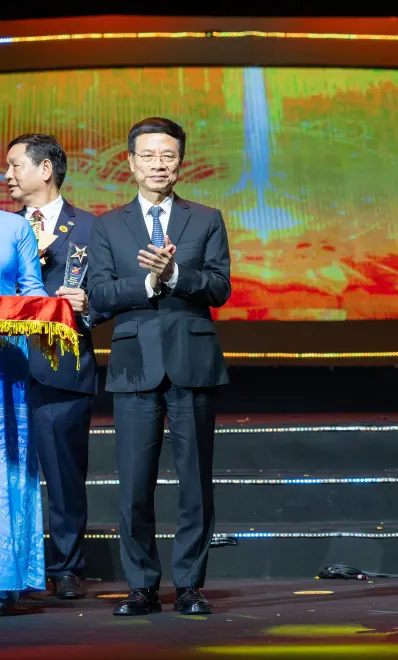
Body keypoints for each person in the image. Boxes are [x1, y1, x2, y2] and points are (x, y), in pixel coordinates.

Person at [88, 117, 231, 616]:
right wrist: (147, 284)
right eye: (148, 155)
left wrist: (175, 273)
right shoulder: (107, 225)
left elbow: (219, 288)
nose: (158, 164)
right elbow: (101, 294)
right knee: (133, 484)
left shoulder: (206, 218)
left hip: (192, 360)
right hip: (133, 364)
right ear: (131, 162)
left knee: (195, 482)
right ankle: (142, 585)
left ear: (180, 162)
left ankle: (189, 585)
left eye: (167, 155)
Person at [5, 134, 103, 600]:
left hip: (59, 365)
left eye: (15, 166)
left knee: (63, 474)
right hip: (8, 367)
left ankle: (65, 566)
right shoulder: (6, 228)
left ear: (45, 169)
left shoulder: (90, 229)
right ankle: (13, 567)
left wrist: (89, 306)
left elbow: (109, 290)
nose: (8, 176)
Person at [0, 209, 49, 615]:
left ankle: (4, 577)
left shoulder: (14, 227)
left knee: (6, 465)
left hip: (5, 360)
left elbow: (33, 294)